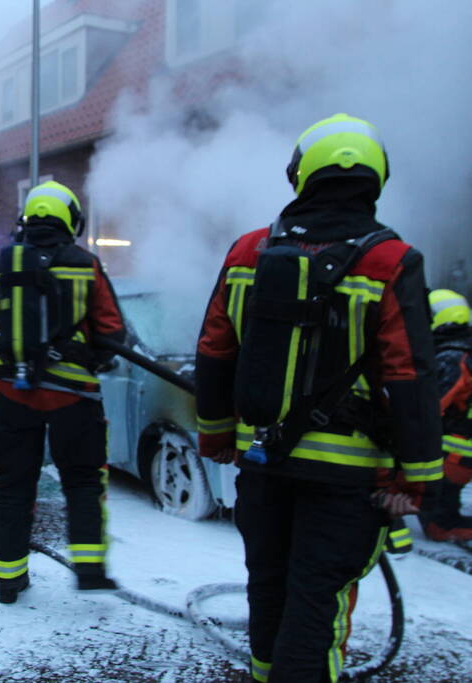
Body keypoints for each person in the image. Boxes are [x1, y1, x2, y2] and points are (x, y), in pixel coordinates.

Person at [195, 114, 442, 682]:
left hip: (265, 465)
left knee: (269, 594)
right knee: (316, 615)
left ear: (299, 175)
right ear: (377, 177)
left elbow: (214, 349)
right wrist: (416, 477)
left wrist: (216, 435)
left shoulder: (248, 250)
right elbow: (410, 374)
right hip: (347, 483)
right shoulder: (392, 261)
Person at [0, 180, 128, 604]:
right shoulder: (86, 265)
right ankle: (89, 570)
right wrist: (88, 356)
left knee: (13, 488)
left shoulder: (0, 269)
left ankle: (9, 581)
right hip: (76, 400)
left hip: (15, 397)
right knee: (84, 483)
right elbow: (112, 334)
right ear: (71, 218)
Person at [420, 289, 472, 541]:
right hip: (462, 448)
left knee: (439, 516)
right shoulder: (464, 352)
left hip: (457, 451)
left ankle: (446, 525)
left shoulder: (452, 358)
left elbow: (433, 408)